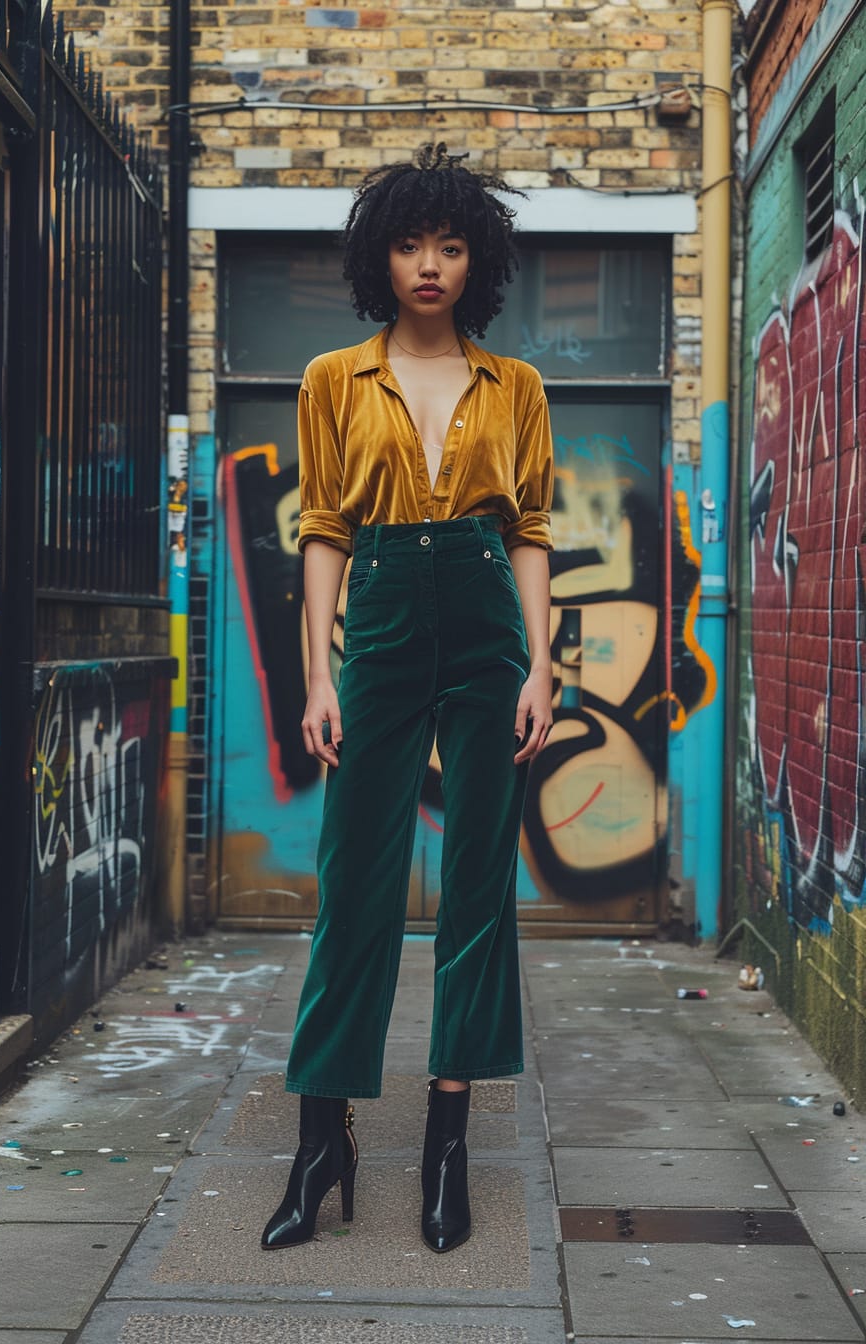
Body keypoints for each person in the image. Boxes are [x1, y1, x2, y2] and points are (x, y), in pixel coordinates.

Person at [261, 142, 554, 1254]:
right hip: (379, 616)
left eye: (447, 244)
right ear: (375, 256)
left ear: (472, 260)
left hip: (483, 618)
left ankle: (444, 1152)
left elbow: (526, 533)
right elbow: (323, 530)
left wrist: (538, 661)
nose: (427, 264)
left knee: (478, 888)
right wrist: (316, 674)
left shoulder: (515, 386)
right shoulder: (334, 380)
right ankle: (318, 1142)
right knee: (355, 887)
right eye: (406, 243)